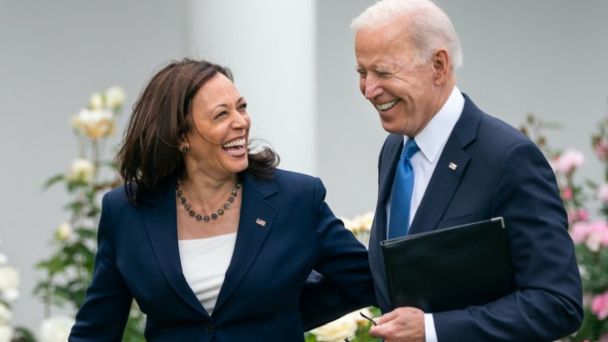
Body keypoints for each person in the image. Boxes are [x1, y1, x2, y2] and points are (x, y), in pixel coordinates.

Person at [69, 58, 375, 341]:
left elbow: (367, 281)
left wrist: (286, 313)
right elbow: (97, 329)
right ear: (181, 137)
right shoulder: (126, 211)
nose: (241, 122)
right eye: (221, 114)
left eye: (241, 108)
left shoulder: (297, 199)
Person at [351, 0, 583, 341]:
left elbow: (557, 303)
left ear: (439, 65)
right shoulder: (395, 149)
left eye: (384, 72)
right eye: (362, 72)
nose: (369, 89)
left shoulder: (507, 158)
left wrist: (432, 330)